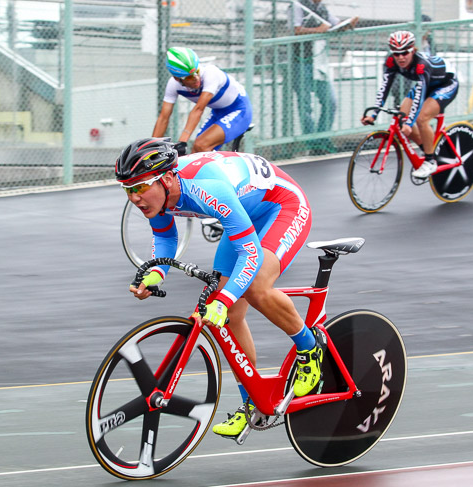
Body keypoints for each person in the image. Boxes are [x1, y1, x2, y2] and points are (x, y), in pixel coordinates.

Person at [115, 137, 323, 438]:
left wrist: (224, 298)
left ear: (168, 178)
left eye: (140, 187)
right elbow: (165, 238)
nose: (135, 198)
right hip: (245, 213)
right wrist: (156, 274)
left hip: (283, 206)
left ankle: (309, 350)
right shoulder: (159, 194)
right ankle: (253, 403)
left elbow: (250, 254)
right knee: (227, 315)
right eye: (128, 189)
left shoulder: (208, 190)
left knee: (254, 287)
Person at [360, 30, 459, 179]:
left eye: (405, 53)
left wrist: (411, 122)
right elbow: (384, 87)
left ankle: (430, 161)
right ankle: (427, 148)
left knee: (421, 119)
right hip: (427, 85)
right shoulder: (391, 62)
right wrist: (373, 114)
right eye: (396, 53)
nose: (400, 57)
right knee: (401, 119)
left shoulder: (421, 64)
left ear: (412, 49)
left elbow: (419, 96)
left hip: (445, 84)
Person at [152, 47, 253, 155]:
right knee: (196, 153)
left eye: (197, 72)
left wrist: (183, 141)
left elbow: (199, 109)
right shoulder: (173, 85)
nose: (196, 79)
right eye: (190, 77)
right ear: (177, 78)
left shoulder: (210, 73)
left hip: (240, 109)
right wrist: (151, 148)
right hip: (218, 112)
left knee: (202, 145)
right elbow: (163, 118)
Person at [288, 0, 358, 154]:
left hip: (320, 62)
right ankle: (312, 143)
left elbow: (333, 25)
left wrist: (347, 25)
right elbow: (295, 30)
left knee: (330, 102)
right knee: (305, 105)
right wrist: (319, 30)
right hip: (301, 61)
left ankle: (322, 139)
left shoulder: (322, 8)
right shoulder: (298, 5)